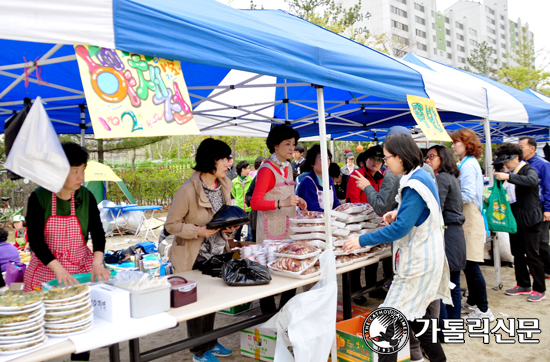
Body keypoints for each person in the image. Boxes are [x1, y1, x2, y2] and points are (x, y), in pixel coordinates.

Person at [343, 134, 450, 362]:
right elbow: (418, 213)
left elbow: (400, 229)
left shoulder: (414, 183)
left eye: (387, 157)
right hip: (427, 258)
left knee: (388, 323)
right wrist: (397, 212)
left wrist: (361, 240)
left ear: (400, 157)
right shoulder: (420, 175)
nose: (385, 162)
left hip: (419, 262)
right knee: (417, 321)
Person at [165, 138, 239, 362]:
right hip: (193, 256)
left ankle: (209, 341)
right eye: (226, 158)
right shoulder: (188, 190)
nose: (230, 163)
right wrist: (197, 231)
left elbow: (224, 217)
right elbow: (171, 225)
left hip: (218, 253)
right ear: (213, 160)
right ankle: (198, 352)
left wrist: (229, 228)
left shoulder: (224, 184)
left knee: (213, 301)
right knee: (196, 304)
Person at [24, 142, 110, 292]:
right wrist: (59, 269)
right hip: (46, 270)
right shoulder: (39, 197)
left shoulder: (86, 196)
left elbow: (98, 233)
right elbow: (36, 241)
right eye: (74, 171)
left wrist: (97, 263)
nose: (81, 177)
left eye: (83, 170)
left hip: (80, 270)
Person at [251, 124, 306, 313]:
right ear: (275, 145)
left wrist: (297, 201)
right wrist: (281, 203)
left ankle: (283, 313)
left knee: (290, 271)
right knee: (270, 276)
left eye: (294, 144)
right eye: (287, 144)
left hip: (287, 227)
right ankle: (268, 318)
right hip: (270, 232)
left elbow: (286, 193)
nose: (292, 148)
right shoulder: (267, 169)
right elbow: (255, 203)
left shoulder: (288, 166)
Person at [450, 128, 494, 321]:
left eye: (455, 143)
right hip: (469, 217)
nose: (453, 146)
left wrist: (449, 196)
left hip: (470, 218)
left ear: (466, 144)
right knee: (468, 264)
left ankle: (484, 310)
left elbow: (467, 194)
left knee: (472, 265)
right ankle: (474, 303)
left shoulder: (468, 165)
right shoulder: (467, 163)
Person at [494, 143, 546, 302]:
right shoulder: (510, 172)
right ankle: (523, 284)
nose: (505, 165)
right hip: (515, 220)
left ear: (516, 157)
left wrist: (508, 176)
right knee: (517, 254)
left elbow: (531, 181)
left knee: (533, 255)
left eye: (507, 161)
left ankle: (539, 288)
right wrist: (502, 176)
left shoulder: (528, 170)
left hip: (531, 220)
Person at [425, 146, 467, 320]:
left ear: (443, 158)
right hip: (455, 234)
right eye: (426, 157)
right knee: (453, 284)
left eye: (431, 156)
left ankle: (444, 328)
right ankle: (452, 325)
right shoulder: (451, 177)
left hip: (448, 234)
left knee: (443, 286)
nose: (427, 160)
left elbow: (437, 209)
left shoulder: (442, 178)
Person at [519, 137, 550, 279]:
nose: (520, 149)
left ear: (532, 148)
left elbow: (548, 188)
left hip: (542, 206)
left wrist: (548, 209)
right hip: (528, 208)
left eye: (522, 146)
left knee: (542, 241)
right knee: (533, 243)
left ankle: (547, 268)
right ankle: (539, 269)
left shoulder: (543, 164)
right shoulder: (521, 165)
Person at [296, 145, 340, 211]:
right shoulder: (307, 182)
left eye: (327, 158)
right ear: (312, 163)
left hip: (328, 219)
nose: (325, 162)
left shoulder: (329, 180)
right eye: (321, 159)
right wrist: (332, 214)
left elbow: (335, 203)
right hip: (311, 220)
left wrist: (342, 209)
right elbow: (313, 209)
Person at [232, 160, 253, 241]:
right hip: (239, 210)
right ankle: (236, 249)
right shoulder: (234, 182)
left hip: (250, 209)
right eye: (246, 169)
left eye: (249, 168)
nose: (249, 171)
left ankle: (249, 248)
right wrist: (239, 200)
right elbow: (234, 193)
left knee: (250, 232)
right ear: (241, 169)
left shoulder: (251, 180)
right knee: (237, 231)